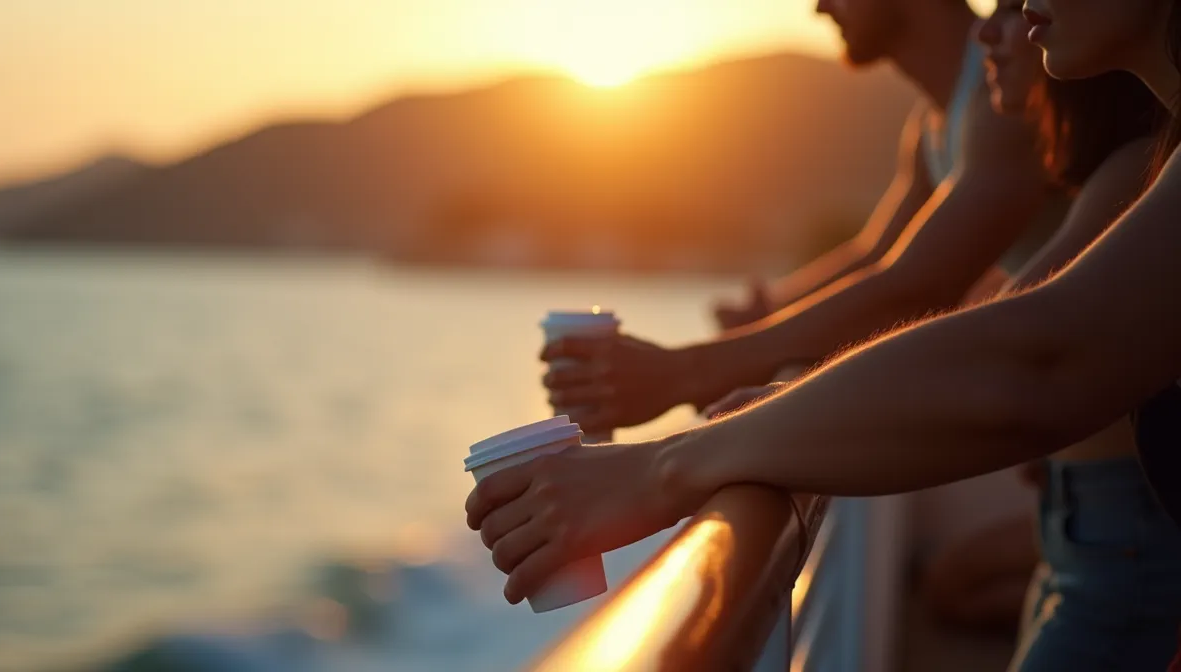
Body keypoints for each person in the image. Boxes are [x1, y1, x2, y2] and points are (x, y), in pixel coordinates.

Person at [468, 0, 1181, 668]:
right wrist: (760, 359)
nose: (1012, 16)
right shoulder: (1148, 157)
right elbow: (900, 274)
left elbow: (1007, 340)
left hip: (1127, 534)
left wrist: (669, 448)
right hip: (1084, 514)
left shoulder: (1077, 148)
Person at [546, 0, 1064, 433]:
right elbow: (876, 253)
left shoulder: (1006, 105)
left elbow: (918, 286)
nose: (819, 7)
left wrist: (684, 372)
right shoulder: (934, 122)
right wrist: (768, 313)